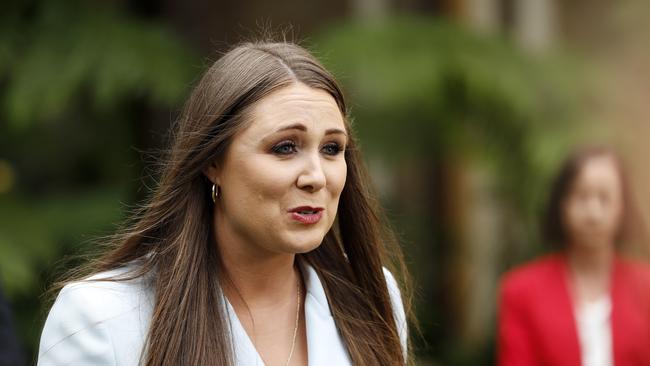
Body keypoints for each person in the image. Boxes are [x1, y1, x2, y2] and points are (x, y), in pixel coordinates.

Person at [37, 41, 411, 366]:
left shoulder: (370, 293)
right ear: (213, 162)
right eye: (284, 147)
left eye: (332, 148)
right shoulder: (102, 318)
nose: (316, 176)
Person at [497, 146, 650, 366]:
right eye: (582, 196)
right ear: (562, 204)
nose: (593, 212)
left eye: (604, 198)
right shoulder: (521, 291)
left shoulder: (646, 288)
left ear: (622, 207)